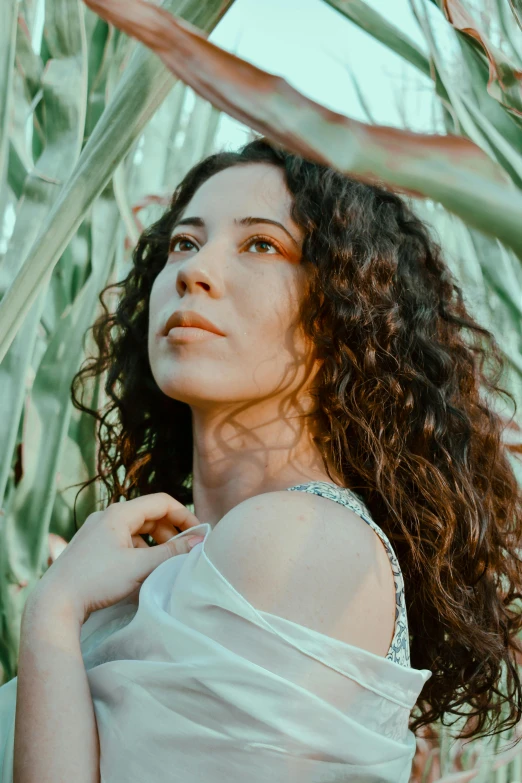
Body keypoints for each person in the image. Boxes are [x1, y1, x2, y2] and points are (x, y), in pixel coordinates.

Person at [1, 135, 522, 782]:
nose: (194, 269)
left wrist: (52, 612)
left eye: (261, 244)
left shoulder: (297, 539)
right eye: (183, 243)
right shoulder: (177, 556)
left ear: (342, 306)